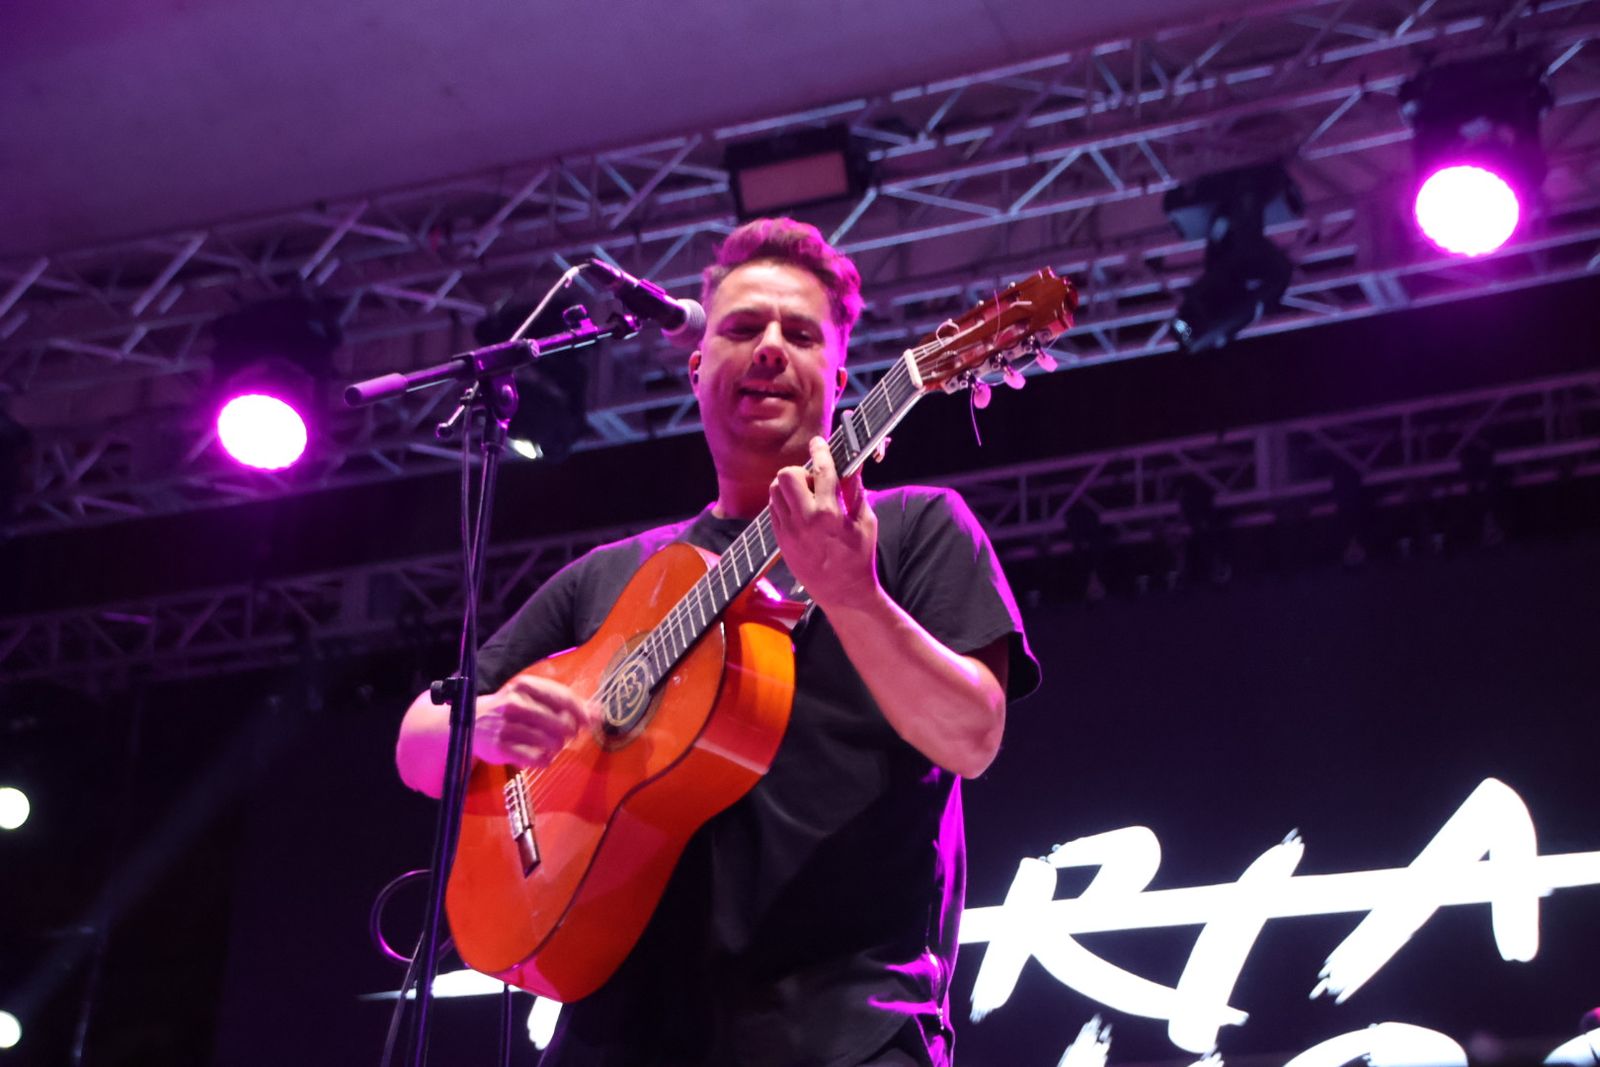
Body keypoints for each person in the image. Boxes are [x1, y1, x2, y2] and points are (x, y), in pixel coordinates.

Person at [395, 218, 1040, 1066]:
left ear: (840, 378)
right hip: (612, 1038)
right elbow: (417, 739)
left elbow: (973, 736)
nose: (769, 348)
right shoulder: (611, 576)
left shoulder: (915, 528)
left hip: (843, 1036)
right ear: (697, 367)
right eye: (741, 328)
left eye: (799, 334)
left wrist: (851, 590)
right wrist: (482, 725)